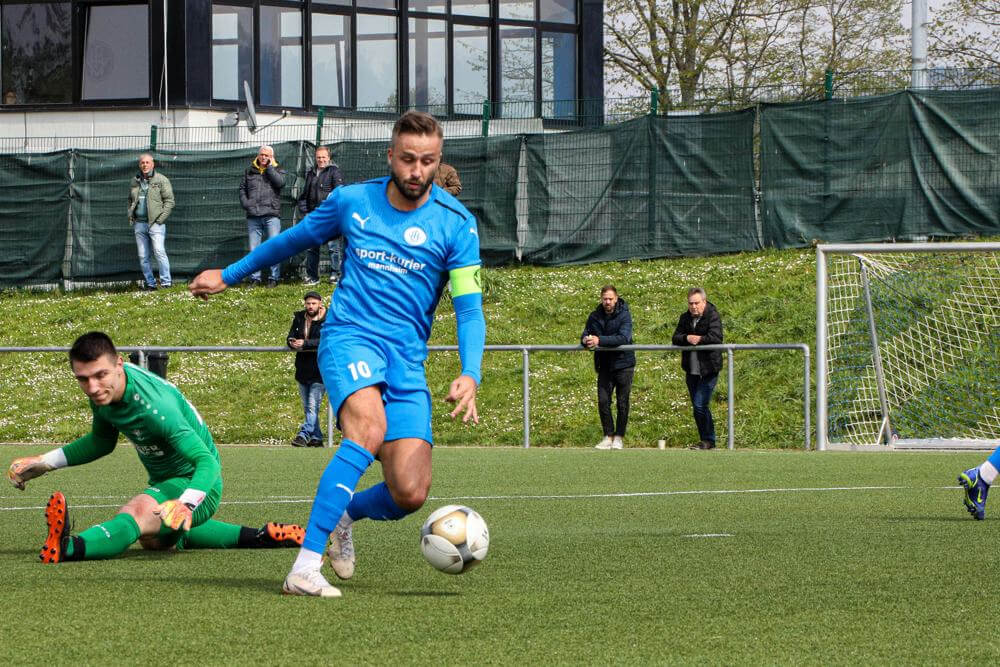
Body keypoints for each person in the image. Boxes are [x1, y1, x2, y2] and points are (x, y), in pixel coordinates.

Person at [189, 110, 485, 599]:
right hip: (349, 337)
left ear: (437, 162)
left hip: (406, 361)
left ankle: (345, 514)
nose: (416, 170)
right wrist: (230, 274)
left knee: (409, 491)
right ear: (391, 156)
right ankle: (304, 566)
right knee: (367, 430)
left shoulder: (457, 225)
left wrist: (470, 372)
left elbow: (469, 309)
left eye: (427, 161)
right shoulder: (353, 201)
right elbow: (290, 239)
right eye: (408, 159)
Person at [5, 332, 305, 563]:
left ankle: (69, 547)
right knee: (155, 540)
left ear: (119, 364)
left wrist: (185, 504)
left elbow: (208, 463)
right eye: (83, 379)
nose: (93, 387)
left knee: (137, 512)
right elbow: (101, 441)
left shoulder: (155, 408)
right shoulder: (105, 395)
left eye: (100, 375)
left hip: (200, 485)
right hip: (168, 482)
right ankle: (262, 536)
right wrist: (45, 462)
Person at [581, 285, 635, 450]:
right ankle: (608, 436)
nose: (607, 302)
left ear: (616, 299)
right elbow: (585, 333)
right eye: (605, 299)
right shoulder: (594, 316)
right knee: (603, 401)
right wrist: (585, 341)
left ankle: (619, 437)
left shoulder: (625, 315)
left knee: (622, 402)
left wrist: (599, 340)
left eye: (610, 299)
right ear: (601, 299)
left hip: (623, 364)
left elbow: (624, 338)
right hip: (604, 365)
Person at [671, 287, 724, 450]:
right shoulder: (684, 318)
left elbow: (716, 337)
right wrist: (687, 337)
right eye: (690, 303)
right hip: (691, 369)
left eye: (696, 303)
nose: (693, 306)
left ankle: (709, 440)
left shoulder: (713, 315)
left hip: (709, 368)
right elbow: (675, 338)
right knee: (697, 406)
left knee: (700, 404)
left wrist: (699, 339)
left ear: (704, 302)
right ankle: (706, 440)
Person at [296, 146, 345, 286]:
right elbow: (304, 195)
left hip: (330, 217)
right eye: (318, 157)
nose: (321, 160)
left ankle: (335, 275)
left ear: (329, 158)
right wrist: (306, 212)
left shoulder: (334, 172)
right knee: (312, 248)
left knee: (333, 247)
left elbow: (339, 193)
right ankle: (312, 277)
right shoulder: (311, 173)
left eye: (323, 157)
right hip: (313, 217)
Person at [239, 145, 286, 287]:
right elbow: (242, 188)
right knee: (254, 249)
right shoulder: (249, 171)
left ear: (271, 157)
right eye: (262, 155)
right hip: (253, 215)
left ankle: (274, 278)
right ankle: (255, 278)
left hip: (272, 214)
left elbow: (280, 183)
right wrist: (246, 203)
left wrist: (270, 168)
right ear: (258, 155)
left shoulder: (278, 169)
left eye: (267, 155)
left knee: (274, 247)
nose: (264, 157)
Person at [128, 153, 175, 290]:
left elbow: (170, 201)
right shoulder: (134, 181)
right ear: (139, 165)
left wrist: (160, 220)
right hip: (139, 224)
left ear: (153, 164)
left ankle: (166, 283)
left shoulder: (161, 180)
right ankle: (151, 284)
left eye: (147, 162)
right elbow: (130, 200)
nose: (145, 165)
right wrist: (131, 215)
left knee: (159, 252)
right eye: (142, 163)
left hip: (156, 224)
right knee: (143, 256)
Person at [288, 290, 327, 447]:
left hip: (320, 370)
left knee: (312, 406)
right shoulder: (299, 318)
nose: (310, 306)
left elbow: (325, 340)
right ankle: (316, 437)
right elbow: (291, 335)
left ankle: (303, 434)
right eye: (308, 304)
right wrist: (292, 342)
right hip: (303, 369)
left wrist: (305, 344)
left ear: (320, 304)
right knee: (308, 408)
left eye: (313, 303)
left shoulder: (329, 319)